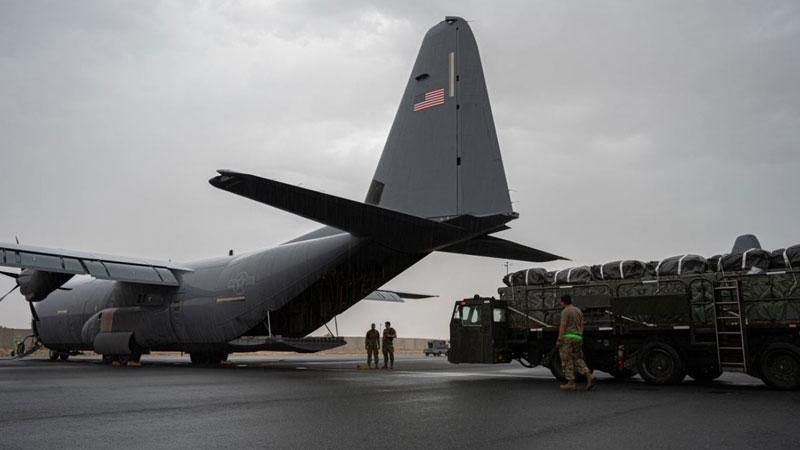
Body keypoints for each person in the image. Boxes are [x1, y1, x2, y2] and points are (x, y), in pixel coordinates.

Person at [558, 294, 595, 391]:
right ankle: (589, 376)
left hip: (568, 337)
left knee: (567, 359)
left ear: (563, 302)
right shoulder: (578, 310)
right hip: (577, 337)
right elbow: (582, 324)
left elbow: (563, 325)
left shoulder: (565, 311)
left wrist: (560, 339)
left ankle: (571, 383)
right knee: (578, 359)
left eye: (561, 302)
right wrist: (580, 335)